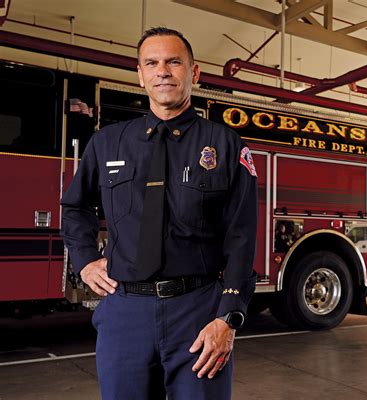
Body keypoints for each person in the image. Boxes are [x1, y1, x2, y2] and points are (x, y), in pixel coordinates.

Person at [61, 26, 258, 400]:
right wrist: (85, 261)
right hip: (125, 313)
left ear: (194, 72)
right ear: (140, 75)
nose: (162, 71)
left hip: (199, 312)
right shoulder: (107, 143)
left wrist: (228, 317)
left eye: (173, 62)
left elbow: (242, 236)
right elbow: (75, 206)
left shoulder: (225, 145)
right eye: (151, 63)